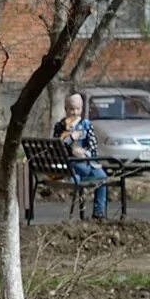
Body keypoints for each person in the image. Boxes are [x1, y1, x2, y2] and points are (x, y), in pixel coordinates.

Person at [55, 90, 111, 220]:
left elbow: (93, 145)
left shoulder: (85, 125)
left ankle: (98, 211)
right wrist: (71, 139)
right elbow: (57, 147)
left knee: (102, 178)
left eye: (77, 109)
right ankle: (77, 178)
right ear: (65, 109)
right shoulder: (60, 126)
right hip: (71, 163)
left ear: (82, 108)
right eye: (71, 109)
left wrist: (86, 152)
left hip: (87, 161)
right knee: (84, 171)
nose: (74, 112)